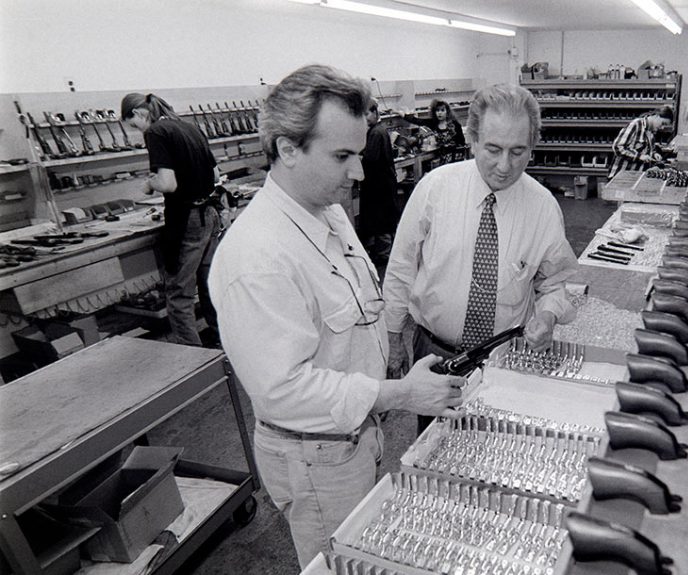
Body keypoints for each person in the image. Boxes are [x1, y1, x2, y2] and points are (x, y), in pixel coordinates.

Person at [208, 64, 464, 569]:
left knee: (365, 552)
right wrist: (401, 393)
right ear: (287, 149)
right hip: (315, 456)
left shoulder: (325, 212)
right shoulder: (257, 257)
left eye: (360, 152)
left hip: (356, 435)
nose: (359, 172)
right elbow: (283, 392)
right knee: (341, 563)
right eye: (343, 156)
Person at [383, 84, 579, 430]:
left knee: (497, 453)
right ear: (472, 139)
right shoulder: (434, 189)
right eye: (493, 149)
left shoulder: (543, 208)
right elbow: (401, 268)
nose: (504, 165)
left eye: (518, 151)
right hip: (436, 355)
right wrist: (393, 336)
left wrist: (547, 317)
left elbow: (555, 283)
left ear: (533, 146)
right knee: (434, 455)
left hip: (504, 358)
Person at [121, 92, 220, 347]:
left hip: (188, 219)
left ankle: (193, 358)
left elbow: (168, 183)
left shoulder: (156, 132)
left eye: (133, 125)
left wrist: (149, 184)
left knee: (178, 294)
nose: (137, 131)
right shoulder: (188, 126)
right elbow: (216, 175)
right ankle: (224, 341)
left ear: (138, 114)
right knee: (210, 285)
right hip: (209, 213)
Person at [358, 99, 401, 266]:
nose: (365, 117)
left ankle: (384, 255)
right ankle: (384, 251)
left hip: (379, 185)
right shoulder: (378, 130)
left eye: (368, 113)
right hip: (383, 183)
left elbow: (370, 158)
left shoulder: (376, 132)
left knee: (381, 220)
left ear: (376, 113)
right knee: (384, 219)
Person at [607, 105, 674, 179]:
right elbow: (618, 147)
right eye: (663, 123)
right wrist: (640, 157)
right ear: (656, 116)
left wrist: (654, 154)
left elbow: (646, 149)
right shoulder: (636, 124)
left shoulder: (651, 131)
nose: (662, 128)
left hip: (634, 176)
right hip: (619, 176)